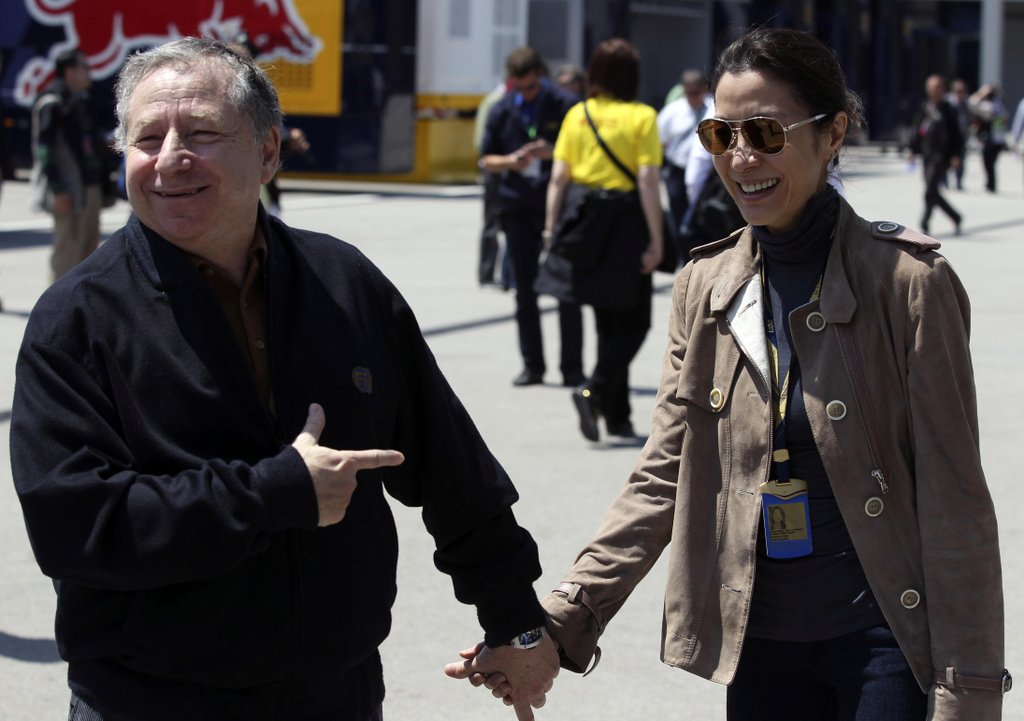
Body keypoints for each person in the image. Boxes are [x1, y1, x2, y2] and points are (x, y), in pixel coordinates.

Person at [455, 27, 1009, 720]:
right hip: (759, 650)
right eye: (722, 135)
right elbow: (662, 474)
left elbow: (957, 503)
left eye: (767, 133)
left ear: (833, 133)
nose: (742, 157)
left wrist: (969, 690)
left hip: (884, 645)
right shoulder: (706, 285)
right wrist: (561, 617)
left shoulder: (908, 284)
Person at [10, 37, 559, 721]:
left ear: (268, 151)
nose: (170, 156)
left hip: (336, 694)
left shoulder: (345, 284)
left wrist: (515, 618)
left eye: (201, 133)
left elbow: (451, 466)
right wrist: (276, 493)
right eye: (147, 138)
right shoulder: (75, 318)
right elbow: (76, 526)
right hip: (147, 698)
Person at [543, 38, 664, 440]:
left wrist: (550, 230)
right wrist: (656, 240)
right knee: (635, 323)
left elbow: (558, 178)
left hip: (587, 225)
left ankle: (617, 416)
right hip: (626, 223)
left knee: (607, 323)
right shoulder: (642, 116)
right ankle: (594, 392)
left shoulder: (578, 114)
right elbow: (648, 180)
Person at [481, 47, 583, 387]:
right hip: (518, 207)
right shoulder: (502, 109)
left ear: (541, 76)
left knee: (566, 290)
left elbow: (583, 149)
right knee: (524, 290)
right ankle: (532, 365)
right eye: (519, 87)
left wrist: (553, 152)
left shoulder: (566, 105)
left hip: (558, 207)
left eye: (531, 87)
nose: (526, 93)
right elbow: (486, 158)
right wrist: (511, 161)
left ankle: (572, 368)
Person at [30, 47, 104, 281]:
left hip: (89, 186)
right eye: (85, 67)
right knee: (66, 257)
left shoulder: (81, 100)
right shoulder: (52, 102)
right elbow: (44, 150)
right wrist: (58, 190)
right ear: (70, 71)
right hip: (68, 189)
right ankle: (58, 304)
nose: (89, 72)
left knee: (88, 256)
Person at [657, 69, 715, 257]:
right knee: (679, 215)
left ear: (704, 89)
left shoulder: (714, 108)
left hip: (707, 172)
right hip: (678, 170)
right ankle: (685, 256)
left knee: (706, 215)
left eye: (696, 93)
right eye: (688, 93)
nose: (692, 98)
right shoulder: (672, 112)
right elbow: (661, 141)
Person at [909, 75, 962, 235]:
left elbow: (957, 134)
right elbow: (918, 129)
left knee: (930, 189)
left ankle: (924, 223)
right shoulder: (926, 107)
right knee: (932, 191)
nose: (933, 91)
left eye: (937, 87)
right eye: (931, 87)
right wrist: (912, 149)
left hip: (942, 156)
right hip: (927, 154)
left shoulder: (948, 109)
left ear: (943, 89)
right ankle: (956, 217)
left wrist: (956, 155)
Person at [474, 79, 510, 288]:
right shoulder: (496, 102)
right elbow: (482, 141)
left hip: (502, 167)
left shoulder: (497, 99)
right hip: (495, 169)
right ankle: (487, 272)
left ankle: (497, 274)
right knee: (492, 224)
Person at [968, 83, 1009, 193]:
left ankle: (991, 184)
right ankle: (990, 184)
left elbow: (972, 103)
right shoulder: (993, 104)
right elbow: (971, 103)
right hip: (992, 138)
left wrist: (980, 94)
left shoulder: (995, 105)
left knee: (989, 162)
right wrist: (981, 94)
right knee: (989, 163)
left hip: (994, 138)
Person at [946, 79, 971, 190]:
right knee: (946, 159)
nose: (960, 93)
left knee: (961, 159)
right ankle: (944, 181)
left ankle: (959, 181)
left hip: (962, 136)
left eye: (962, 91)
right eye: (958, 91)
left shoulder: (966, 103)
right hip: (949, 136)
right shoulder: (948, 102)